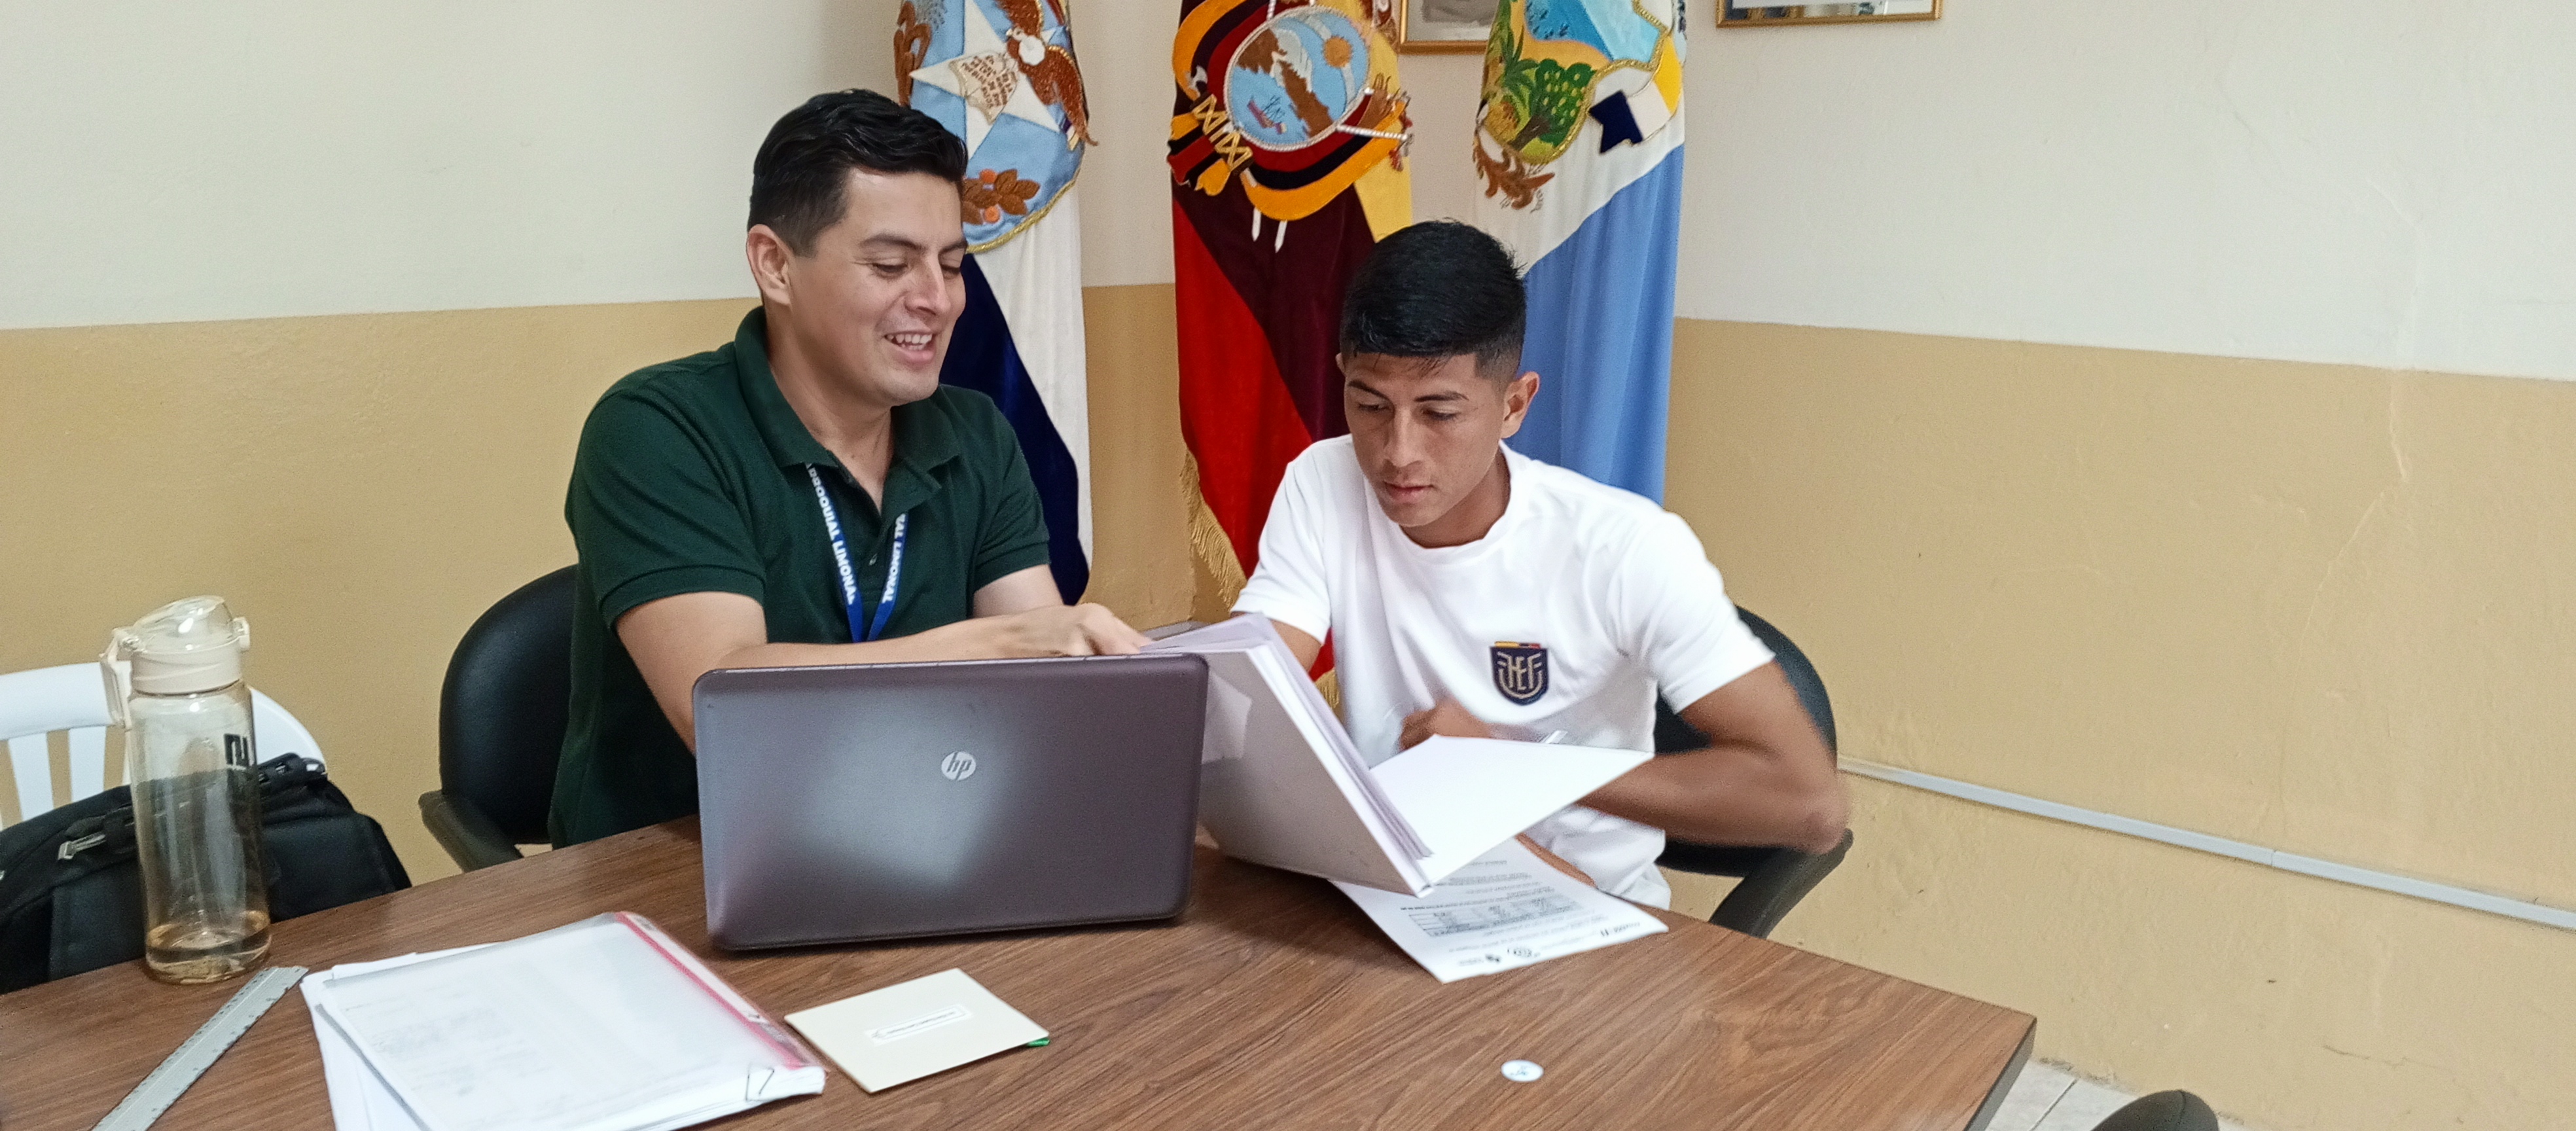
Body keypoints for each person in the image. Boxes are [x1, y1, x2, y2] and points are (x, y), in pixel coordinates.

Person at [550, 90, 1147, 846]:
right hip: (681, 865)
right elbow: (723, 707)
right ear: (775, 266)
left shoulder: (976, 433)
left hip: (919, 830)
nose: (937, 300)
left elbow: (1040, 692)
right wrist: (1003, 645)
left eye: (952, 265)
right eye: (891, 264)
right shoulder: (655, 428)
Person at [1229, 221, 1847, 908]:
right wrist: (1150, 672)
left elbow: (1808, 805)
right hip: (1395, 887)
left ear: (1514, 405)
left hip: (1590, 914)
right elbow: (1255, 680)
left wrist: (1513, 768)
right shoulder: (1323, 481)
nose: (1397, 452)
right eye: (1370, 404)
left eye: (1439, 413)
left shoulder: (1623, 548)